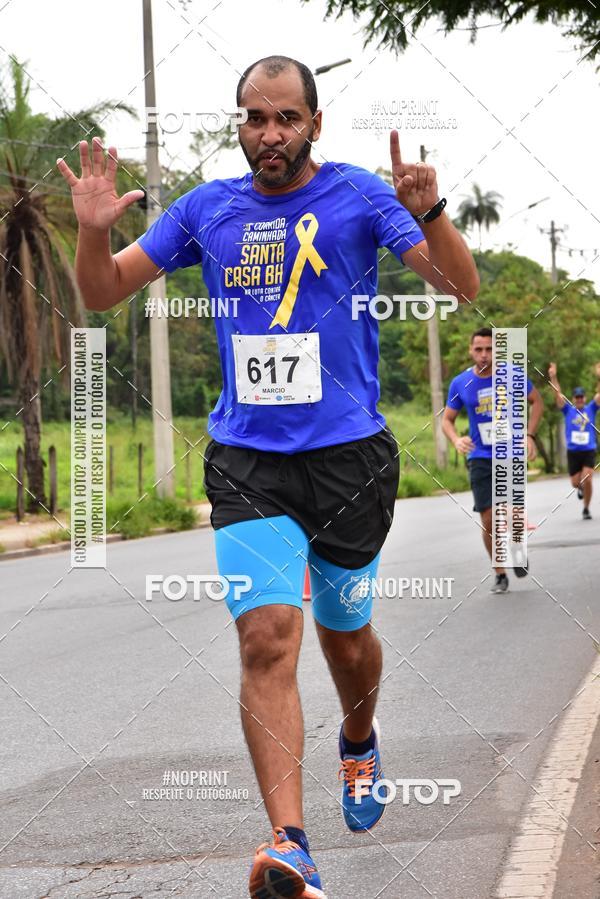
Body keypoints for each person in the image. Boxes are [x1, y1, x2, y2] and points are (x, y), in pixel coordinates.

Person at [59, 55, 479, 899]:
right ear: (240, 127)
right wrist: (95, 231)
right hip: (248, 460)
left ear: (314, 124)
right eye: (255, 118)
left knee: (345, 637)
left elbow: (458, 288)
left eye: (287, 118)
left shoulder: (360, 195)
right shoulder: (206, 209)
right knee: (266, 637)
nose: (270, 134)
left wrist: (430, 212)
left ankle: (358, 739)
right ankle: (290, 843)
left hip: (350, 460)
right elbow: (102, 292)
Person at [442, 328, 543, 594]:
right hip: (480, 457)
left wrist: (529, 435)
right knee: (488, 518)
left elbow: (536, 402)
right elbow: (447, 419)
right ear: (471, 351)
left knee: (513, 512)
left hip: (511, 454)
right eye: (479, 349)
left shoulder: (513, 375)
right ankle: (499, 573)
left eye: (489, 349)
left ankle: (517, 547)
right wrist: (456, 439)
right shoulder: (461, 383)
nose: (484, 355)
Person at [548, 362, 600, 520]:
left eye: (581, 397)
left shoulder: (591, 408)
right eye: (577, 397)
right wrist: (553, 377)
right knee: (575, 483)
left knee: (588, 478)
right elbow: (558, 395)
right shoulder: (568, 410)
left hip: (588, 449)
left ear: (585, 398)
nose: (579, 399)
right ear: (573, 399)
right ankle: (581, 488)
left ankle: (586, 508)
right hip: (573, 452)